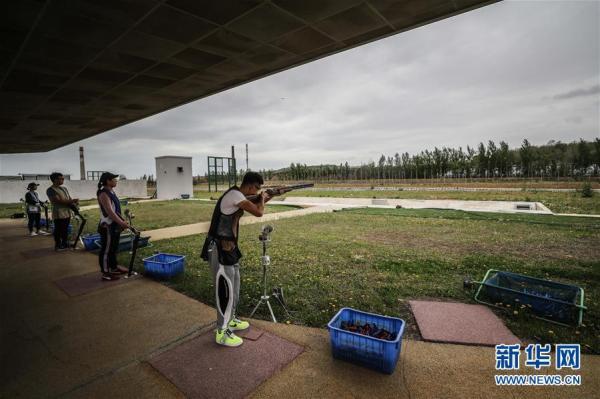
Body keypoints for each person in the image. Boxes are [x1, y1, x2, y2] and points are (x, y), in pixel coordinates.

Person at [201, 172, 275, 347]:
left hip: (230, 248)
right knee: (224, 291)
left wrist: (266, 197)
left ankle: (231, 320)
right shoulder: (234, 195)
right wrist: (263, 199)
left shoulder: (239, 195)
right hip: (219, 248)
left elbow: (254, 204)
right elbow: (258, 212)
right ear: (250, 186)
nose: (257, 191)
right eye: (257, 188)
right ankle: (222, 332)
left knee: (234, 286)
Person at [96, 172, 130, 281]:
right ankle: (105, 273)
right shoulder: (103, 193)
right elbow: (110, 212)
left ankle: (114, 267)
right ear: (108, 181)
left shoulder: (111, 191)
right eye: (114, 179)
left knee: (113, 248)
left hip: (114, 225)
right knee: (106, 250)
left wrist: (122, 221)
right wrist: (121, 223)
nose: (116, 181)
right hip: (107, 226)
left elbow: (115, 209)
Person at [46, 173, 78, 251]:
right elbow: (58, 201)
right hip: (58, 213)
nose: (62, 180)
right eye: (61, 178)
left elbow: (68, 198)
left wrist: (73, 203)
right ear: (55, 180)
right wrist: (72, 201)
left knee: (65, 229)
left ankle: (64, 243)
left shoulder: (64, 188)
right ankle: (58, 245)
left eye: (63, 179)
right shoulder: (51, 190)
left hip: (67, 212)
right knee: (59, 229)